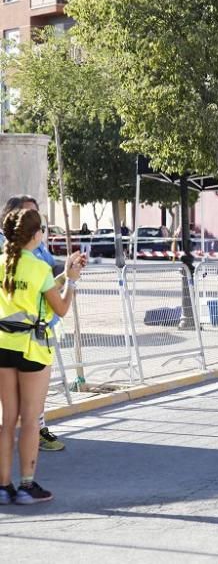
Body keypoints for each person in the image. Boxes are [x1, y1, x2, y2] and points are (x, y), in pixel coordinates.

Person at [0, 208, 87, 504]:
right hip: (33, 349)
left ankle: (3, 486)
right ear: (36, 236)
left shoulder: (2, 263)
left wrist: (63, 274)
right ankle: (27, 485)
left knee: (7, 419)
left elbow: (34, 295)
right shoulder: (38, 268)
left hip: (3, 346)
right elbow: (60, 308)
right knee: (30, 420)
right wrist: (72, 280)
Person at [0, 196, 66, 452]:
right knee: (20, 414)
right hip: (19, 337)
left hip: (39, 332)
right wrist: (67, 286)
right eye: (30, 216)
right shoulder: (8, 251)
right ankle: (25, 480)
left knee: (23, 410)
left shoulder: (39, 249)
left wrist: (65, 275)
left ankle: (10, 481)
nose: (36, 224)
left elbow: (48, 276)